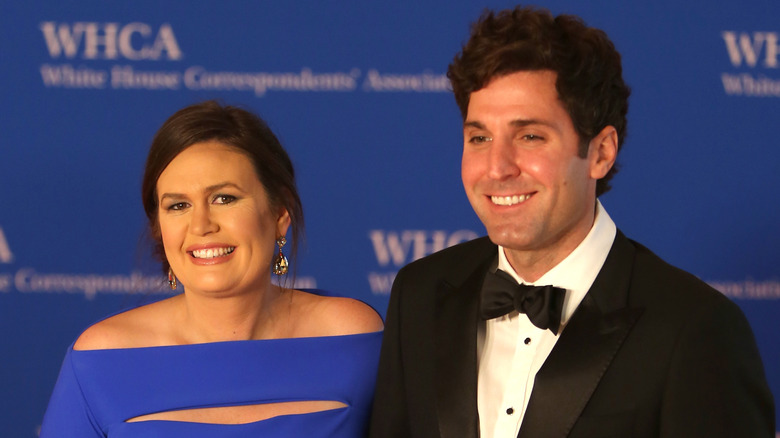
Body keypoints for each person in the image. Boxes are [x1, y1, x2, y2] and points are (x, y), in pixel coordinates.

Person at [369, 6, 774, 438]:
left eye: (530, 136)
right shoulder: (420, 294)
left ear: (600, 152)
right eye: (479, 137)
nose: (497, 167)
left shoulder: (695, 328)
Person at [40, 100, 384, 437]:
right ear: (159, 228)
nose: (201, 225)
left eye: (224, 199)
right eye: (178, 205)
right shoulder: (101, 361)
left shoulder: (353, 338)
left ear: (280, 213)